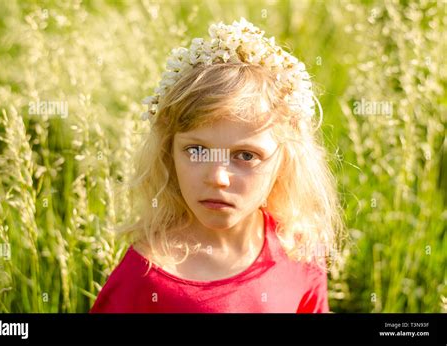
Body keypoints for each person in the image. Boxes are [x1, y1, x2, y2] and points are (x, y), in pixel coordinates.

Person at [90, 18, 344, 313]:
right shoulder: (146, 279)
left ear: (286, 160)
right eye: (197, 150)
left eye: (246, 156)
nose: (218, 177)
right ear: (168, 153)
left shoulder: (298, 250)